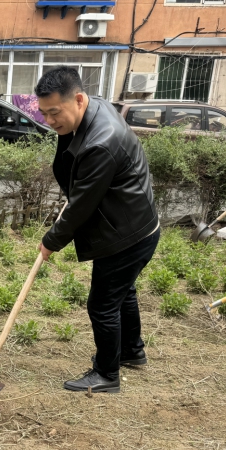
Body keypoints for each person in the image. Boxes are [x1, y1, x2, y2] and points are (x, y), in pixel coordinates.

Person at [35, 67, 160, 394]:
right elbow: (78, 181)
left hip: (126, 235)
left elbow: (81, 207)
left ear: (78, 99)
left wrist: (51, 242)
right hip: (135, 224)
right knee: (123, 292)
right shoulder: (93, 109)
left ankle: (106, 374)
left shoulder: (101, 143)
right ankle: (131, 351)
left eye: (55, 112)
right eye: (44, 113)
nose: (50, 120)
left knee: (102, 305)